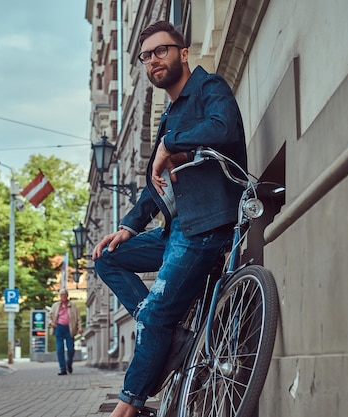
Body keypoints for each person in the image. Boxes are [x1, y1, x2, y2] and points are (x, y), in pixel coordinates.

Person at [92, 21, 247, 417]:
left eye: (162, 51)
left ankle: (128, 406)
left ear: (183, 52)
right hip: (176, 230)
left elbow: (223, 127)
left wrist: (170, 144)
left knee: (156, 312)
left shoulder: (210, 89)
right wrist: (127, 227)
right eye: (147, 56)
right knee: (107, 257)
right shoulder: (169, 116)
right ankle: (170, 336)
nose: (154, 61)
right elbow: (155, 187)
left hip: (206, 225)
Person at [48, 288, 82, 375]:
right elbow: (49, 316)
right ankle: (63, 369)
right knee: (60, 349)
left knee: (71, 349)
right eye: (62, 295)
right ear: (60, 296)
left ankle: (69, 363)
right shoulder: (55, 305)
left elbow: (78, 318)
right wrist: (51, 323)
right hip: (59, 327)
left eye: (65, 294)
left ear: (67, 296)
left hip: (69, 328)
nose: (63, 296)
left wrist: (80, 327)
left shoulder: (72, 305)